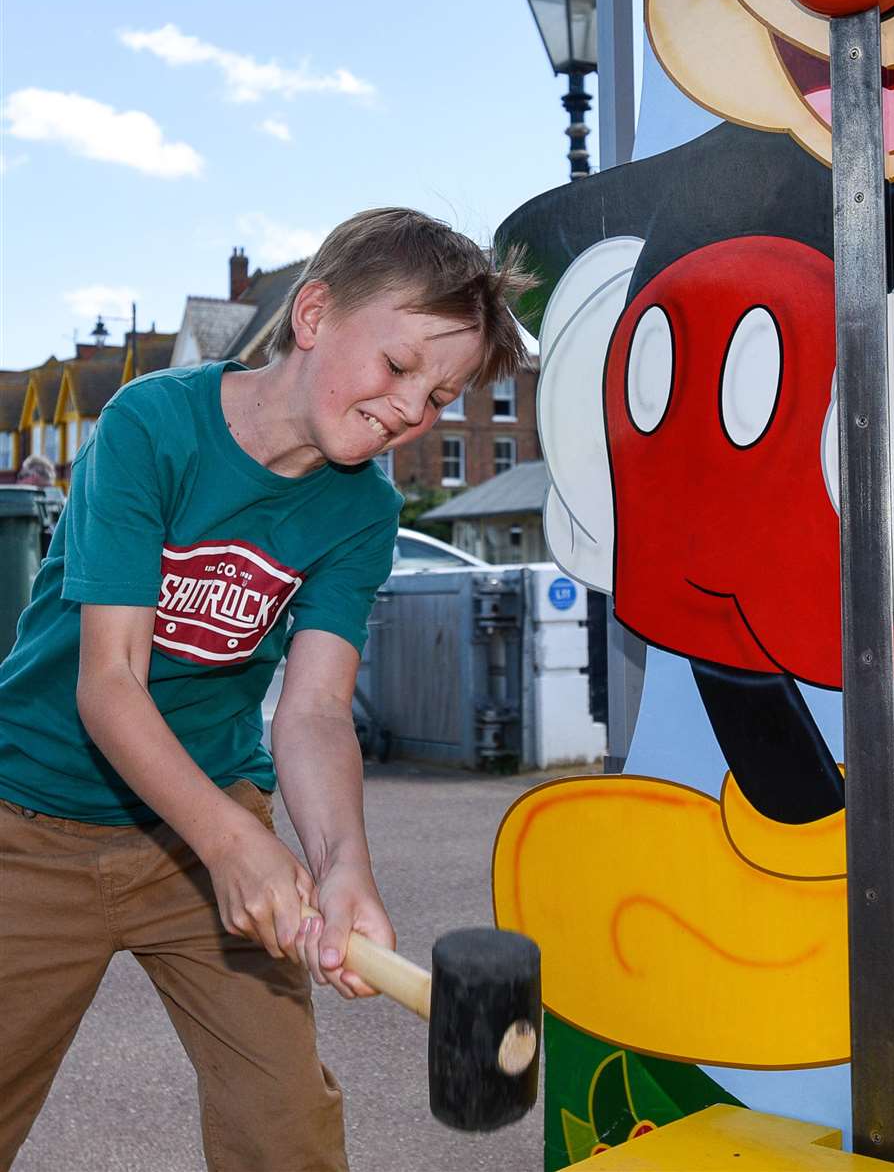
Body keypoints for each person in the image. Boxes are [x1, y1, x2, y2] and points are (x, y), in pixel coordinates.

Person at [0, 208, 533, 1172]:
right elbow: (109, 684)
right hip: (30, 821)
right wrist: (233, 840)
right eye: (401, 366)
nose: (413, 411)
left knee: (284, 1125)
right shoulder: (151, 426)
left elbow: (318, 708)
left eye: (442, 394)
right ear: (316, 314)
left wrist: (340, 867)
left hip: (204, 828)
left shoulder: (361, 506)